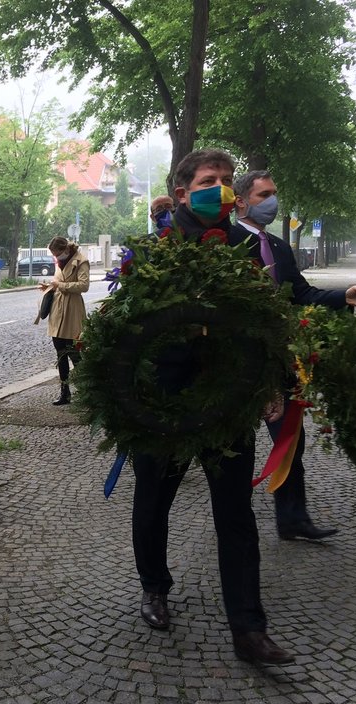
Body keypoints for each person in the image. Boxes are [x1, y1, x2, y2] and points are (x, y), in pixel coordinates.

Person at [131, 148, 295, 665]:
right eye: (210, 180)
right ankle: (155, 586)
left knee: (236, 515)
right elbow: (133, 332)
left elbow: (264, 321)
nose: (222, 188)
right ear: (181, 191)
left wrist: (271, 381)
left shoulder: (248, 246)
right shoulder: (153, 249)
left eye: (227, 180)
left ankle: (248, 628)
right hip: (166, 403)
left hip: (227, 402)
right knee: (155, 503)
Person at [230, 170, 356, 541]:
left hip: (280, 360)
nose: (273, 201)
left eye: (275, 193)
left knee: (291, 439)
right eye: (265, 195)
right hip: (236, 364)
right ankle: (231, 521)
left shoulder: (278, 246)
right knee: (232, 447)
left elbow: (301, 295)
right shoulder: (224, 242)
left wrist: (344, 296)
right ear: (241, 201)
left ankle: (293, 519)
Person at [36, 236, 89, 405]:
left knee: (74, 353)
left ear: (65, 250)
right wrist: (50, 286)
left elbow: (84, 286)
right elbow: (58, 281)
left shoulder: (81, 260)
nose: (55, 257)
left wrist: (62, 286)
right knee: (60, 354)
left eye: (56, 254)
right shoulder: (60, 261)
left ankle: (86, 391)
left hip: (73, 309)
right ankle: (65, 393)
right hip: (58, 310)